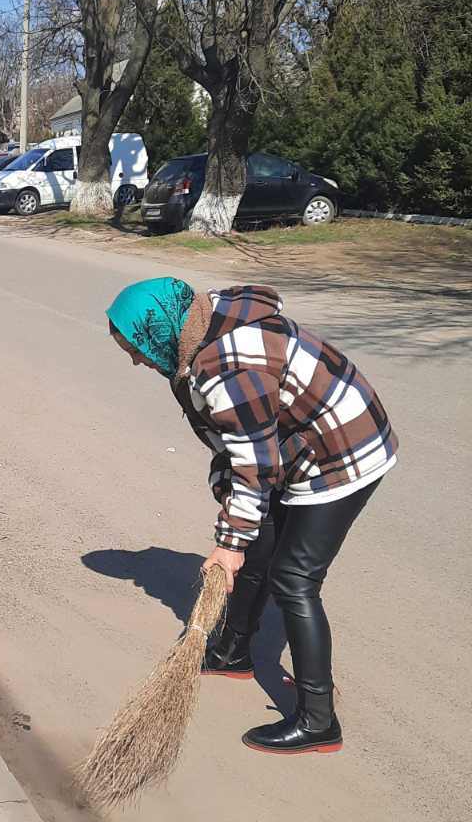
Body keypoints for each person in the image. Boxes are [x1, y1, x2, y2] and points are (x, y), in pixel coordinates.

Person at [106, 278, 398, 755]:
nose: (138, 361)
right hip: (295, 443)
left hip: (343, 452)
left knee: (294, 579)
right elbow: (234, 442)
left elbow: (254, 463)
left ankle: (318, 721)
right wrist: (236, 521)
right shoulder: (201, 325)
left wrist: (228, 543)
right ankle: (233, 651)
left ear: (158, 331)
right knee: (258, 546)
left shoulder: (228, 365)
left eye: (136, 349)